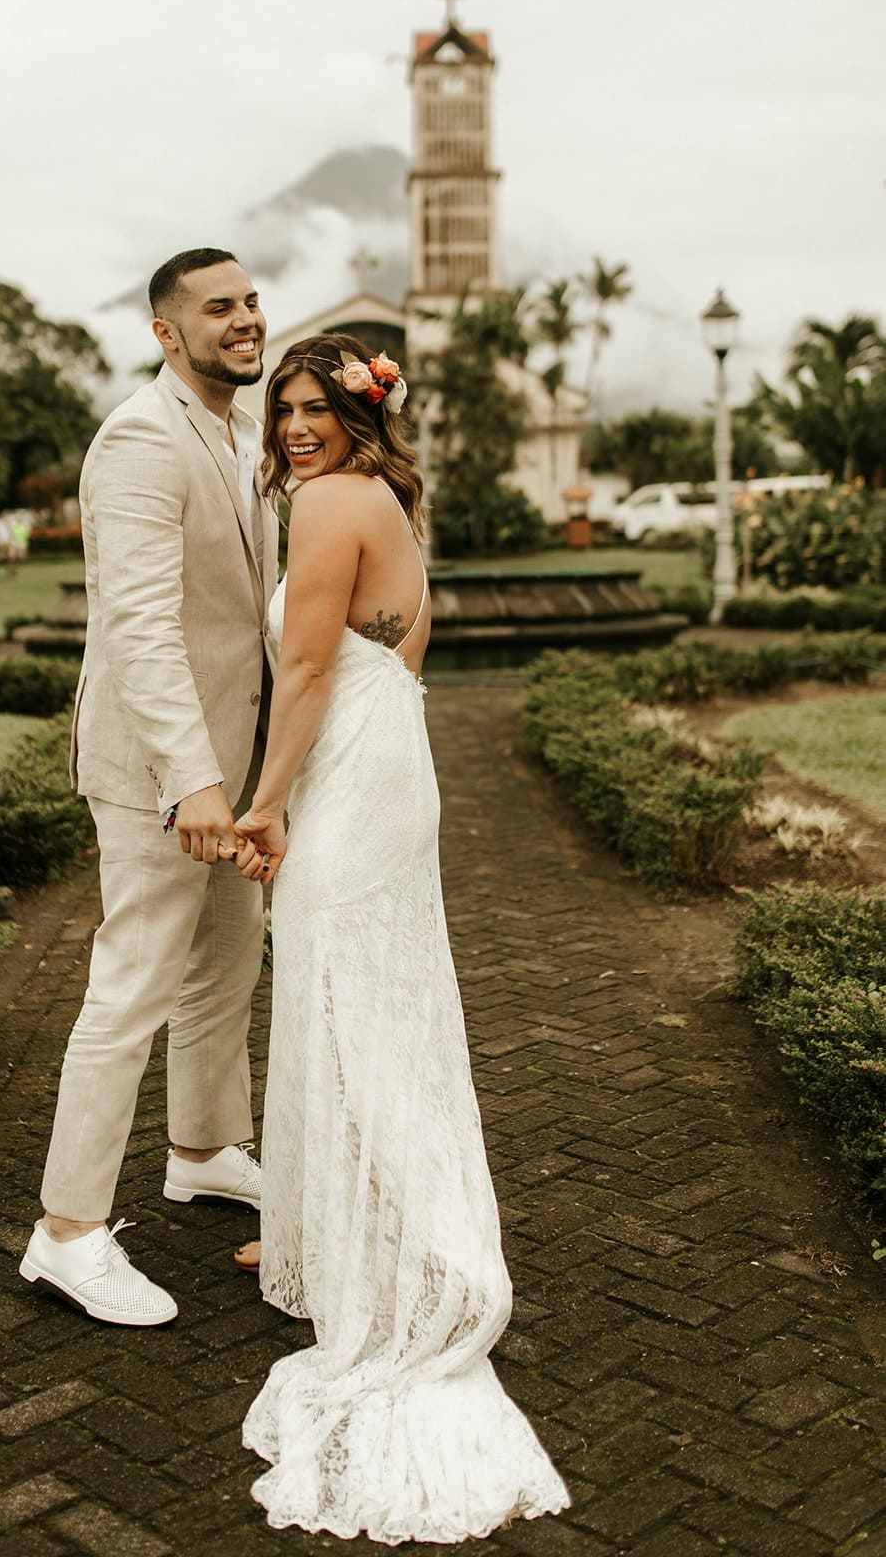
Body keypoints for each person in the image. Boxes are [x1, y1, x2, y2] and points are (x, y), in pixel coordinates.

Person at [228, 335, 570, 1542]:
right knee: (368, 1003)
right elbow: (374, 664)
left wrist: (266, 803)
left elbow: (308, 668)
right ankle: (330, 1224)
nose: (296, 426)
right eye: (285, 407)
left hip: (351, 782)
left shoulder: (330, 501)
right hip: (386, 769)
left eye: (317, 407)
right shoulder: (386, 499)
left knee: (346, 1008)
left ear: (359, 414)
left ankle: (412, 1253)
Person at [19, 248, 278, 1326]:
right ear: (167, 334)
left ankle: (203, 1149)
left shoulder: (241, 429)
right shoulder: (137, 438)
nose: (245, 319)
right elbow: (140, 628)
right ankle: (66, 1233)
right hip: (159, 774)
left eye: (251, 300)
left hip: (232, 763)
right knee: (131, 988)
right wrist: (193, 781)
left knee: (226, 961)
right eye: (219, 308)